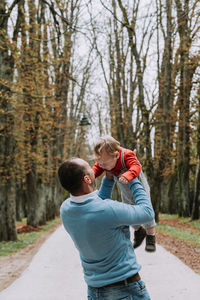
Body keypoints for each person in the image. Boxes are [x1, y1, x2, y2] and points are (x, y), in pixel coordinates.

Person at [58, 157, 154, 299]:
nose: (94, 168)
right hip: (125, 289)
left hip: (95, 291)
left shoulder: (66, 210)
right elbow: (147, 213)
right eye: (89, 168)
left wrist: (108, 179)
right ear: (87, 179)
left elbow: (97, 205)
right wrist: (132, 177)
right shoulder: (108, 210)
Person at [92, 135, 156, 252]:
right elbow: (97, 169)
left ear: (116, 155)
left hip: (139, 187)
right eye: (99, 163)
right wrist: (91, 175)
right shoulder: (104, 161)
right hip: (125, 190)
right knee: (129, 212)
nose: (102, 166)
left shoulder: (126, 155)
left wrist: (128, 175)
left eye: (104, 164)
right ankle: (138, 231)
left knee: (146, 210)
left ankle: (151, 236)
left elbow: (137, 166)